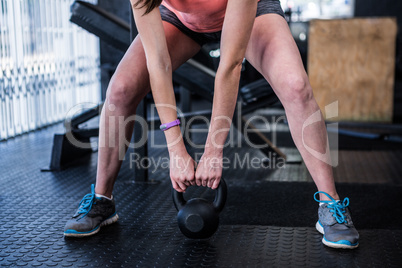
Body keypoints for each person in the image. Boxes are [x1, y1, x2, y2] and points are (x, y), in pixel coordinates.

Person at [64, 0, 359, 249]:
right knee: (121, 89)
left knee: (296, 87)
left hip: (251, 12)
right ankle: (102, 199)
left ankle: (330, 205)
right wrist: (176, 150)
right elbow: (159, 63)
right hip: (180, 20)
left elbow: (230, 65)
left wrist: (213, 150)